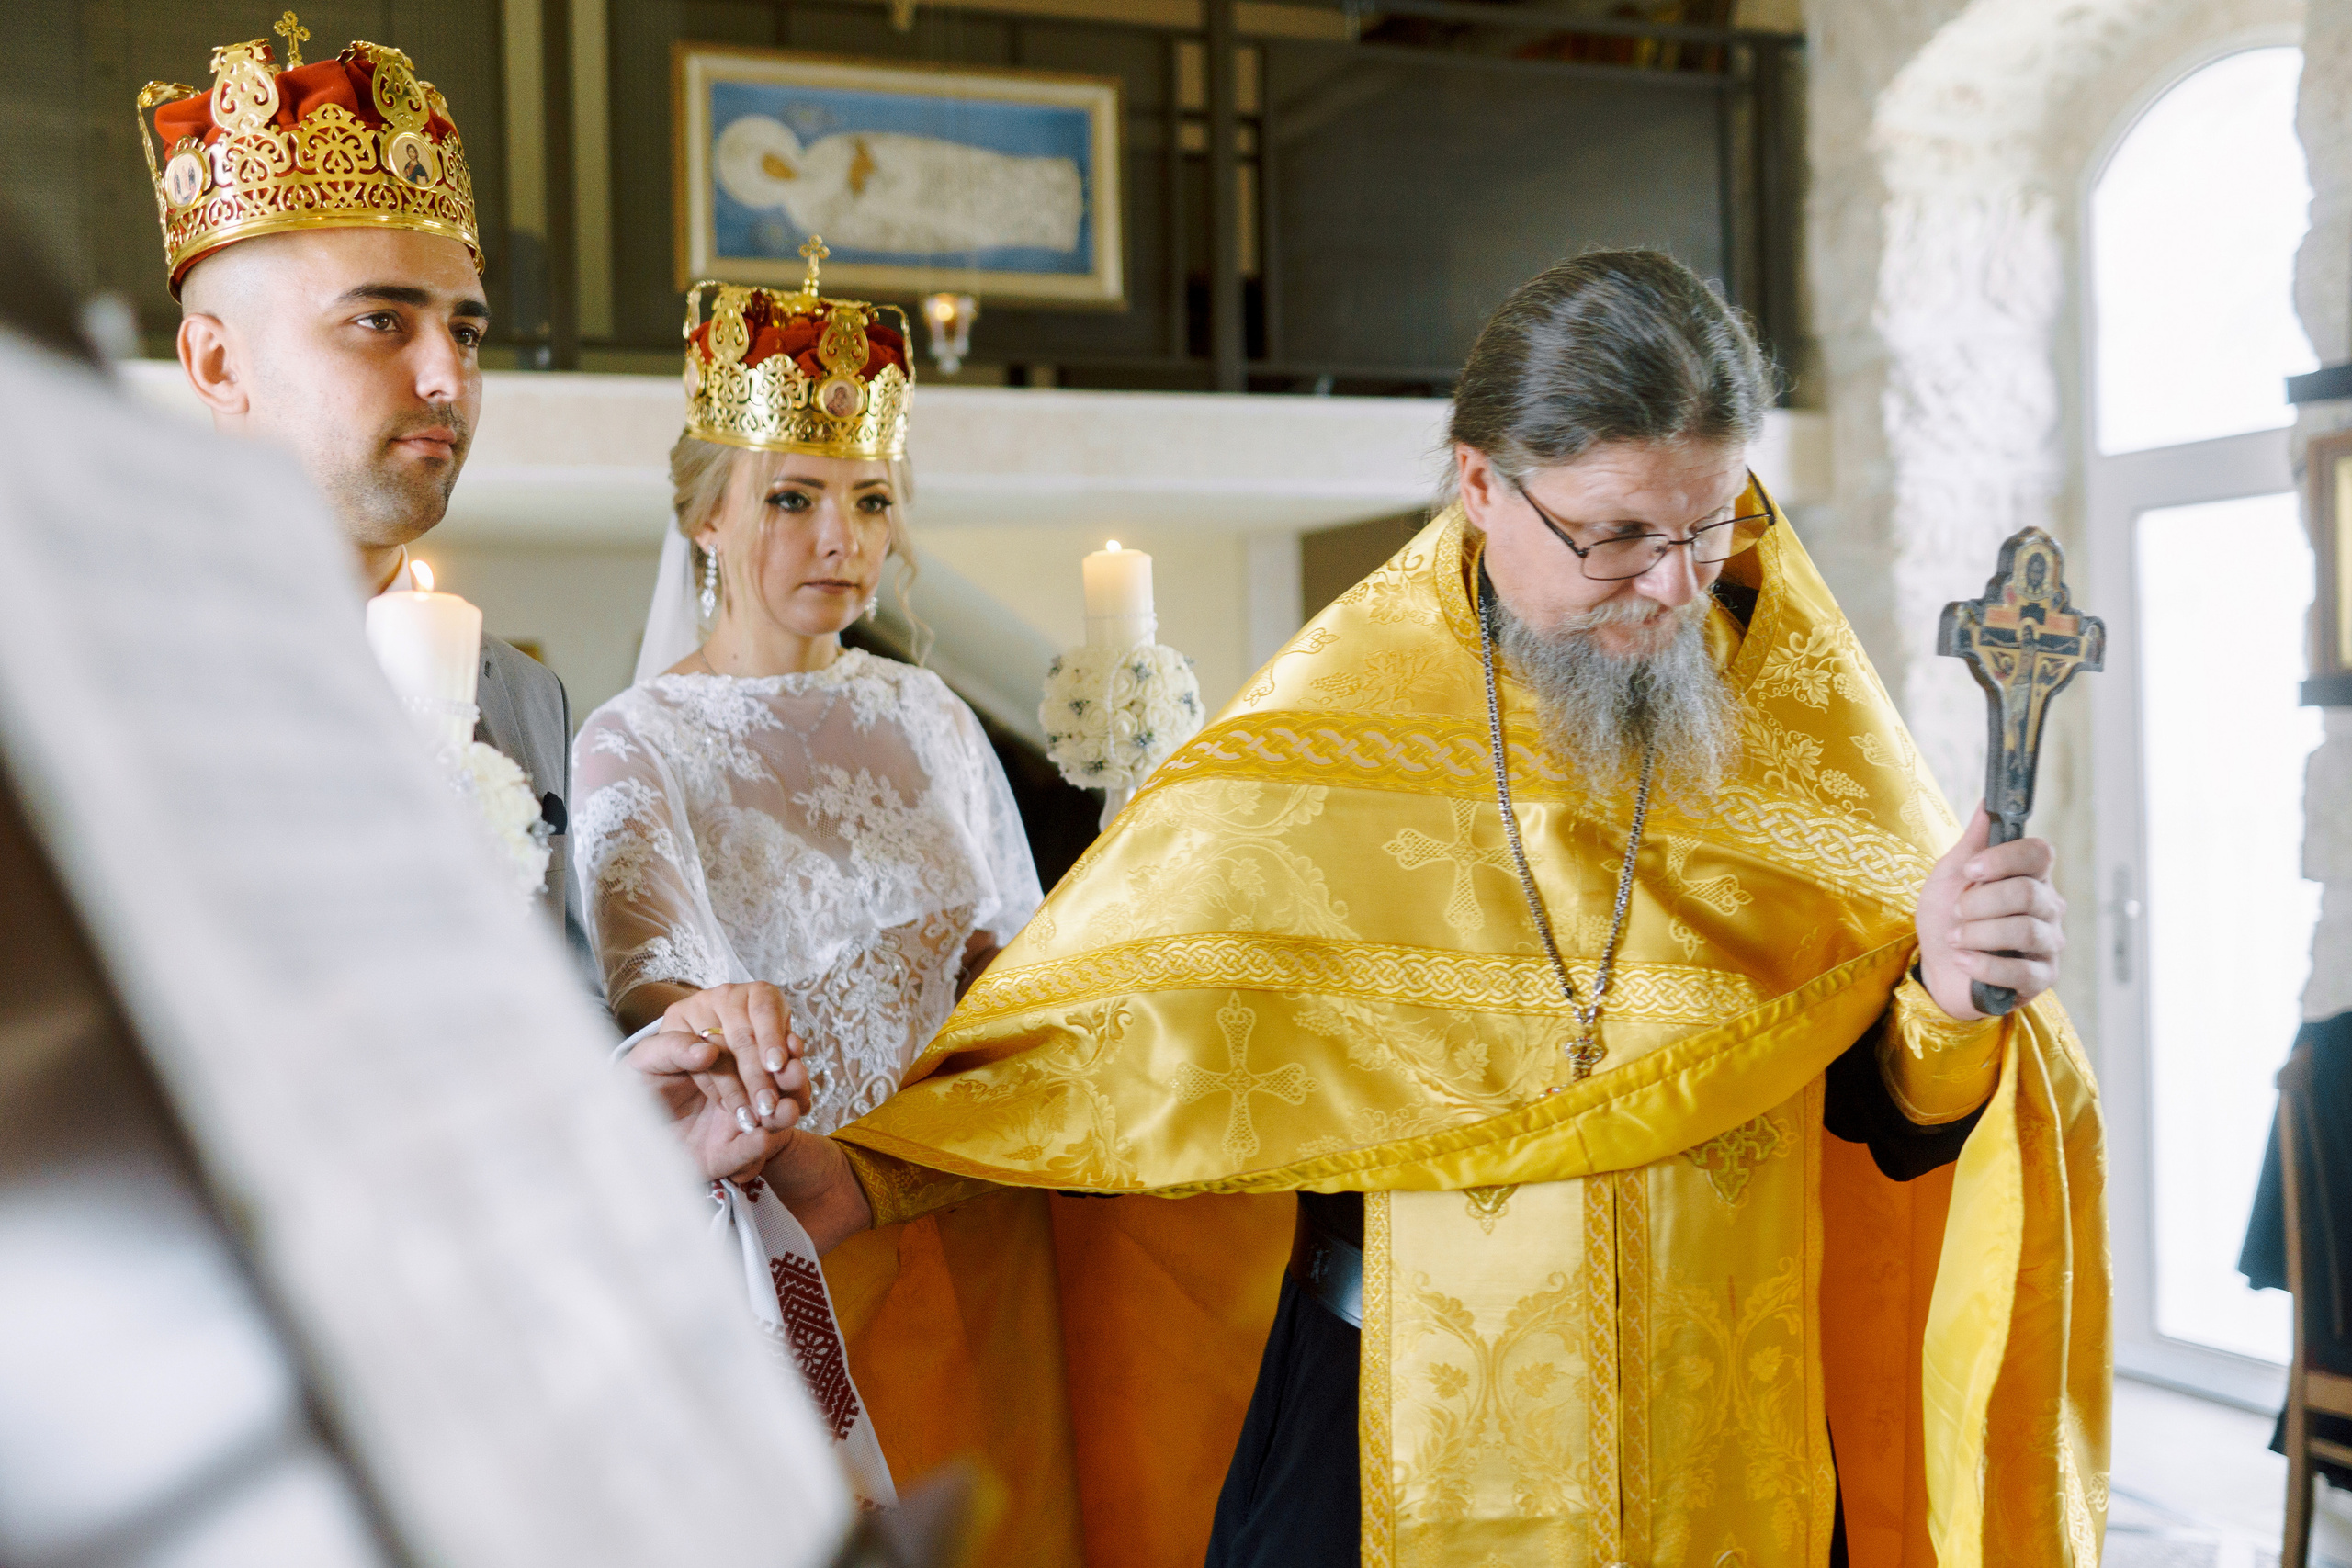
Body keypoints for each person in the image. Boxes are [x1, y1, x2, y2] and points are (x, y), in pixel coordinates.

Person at [730, 250, 2109, 1566]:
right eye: (1620, 535)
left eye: (1709, 526)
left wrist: (1947, 993)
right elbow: (1117, 1053)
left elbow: (1893, 1124)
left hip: (1729, 1456)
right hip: (1383, 1445)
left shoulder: (1805, 738)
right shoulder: (1320, 746)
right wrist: (874, 1171)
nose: (1677, 584)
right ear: (1480, 483)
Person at [571, 249, 1045, 1515]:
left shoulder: (936, 714)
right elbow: (655, 993)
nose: (843, 538)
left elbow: (1018, 958)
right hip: (796, 1236)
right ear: (706, 516)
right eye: (792, 498)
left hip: (971, 1211)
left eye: (872, 499)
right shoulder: (638, 738)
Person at [141, 24, 594, 986]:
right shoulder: (86, 667)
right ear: (218, 363)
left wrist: (654, 1091)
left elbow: (550, 1008)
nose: (447, 378)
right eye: (377, 321)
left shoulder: (522, 694)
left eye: (465, 334)